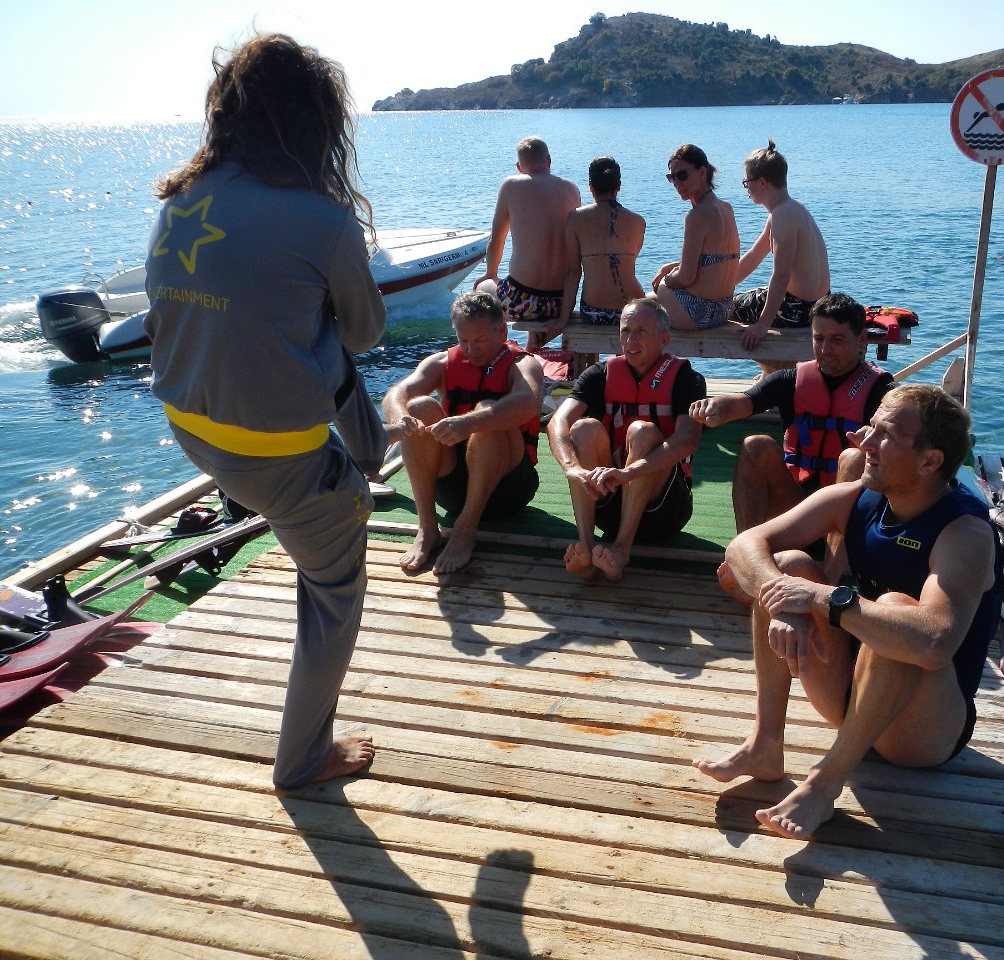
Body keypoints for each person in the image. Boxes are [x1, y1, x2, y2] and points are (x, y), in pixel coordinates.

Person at [143, 33, 419, 790]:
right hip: (279, 456)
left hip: (192, 428)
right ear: (314, 122)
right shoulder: (322, 220)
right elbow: (364, 334)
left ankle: (361, 465)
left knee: (306, 345)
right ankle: (302, 760)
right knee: (335, 592)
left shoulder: (179, 199)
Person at [695, 385, 1001, 841]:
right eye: (871, 426)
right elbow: (745, 545)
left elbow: (934, 642)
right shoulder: (860, 498)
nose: (863, 440)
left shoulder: (965, 533)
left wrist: (820, 598)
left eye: (884, 434)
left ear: (929, 461)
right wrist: (783, 604)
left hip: (924, 734)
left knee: (896, 612)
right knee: (787, 566)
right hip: (854, 695)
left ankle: (823, 785)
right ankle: (764, 744)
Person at [689, 293, 892, 533]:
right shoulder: (790, 380)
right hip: (794, 504)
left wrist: (876, 439)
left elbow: (905, 435)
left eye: (837, 340)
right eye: (819, 339)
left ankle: (835, 557)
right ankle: (745, 547)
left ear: (861, 340)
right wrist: (715, 407)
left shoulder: (882, 390)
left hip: (848, 512)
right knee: (755, 445)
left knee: (854, 457)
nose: (825, 349)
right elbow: (744, 402)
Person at [382, 291, 544, 575]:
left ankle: (465, 530)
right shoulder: (441, 363)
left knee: (487, 413)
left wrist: (468, 423)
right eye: (464, 340)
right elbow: (398, 393)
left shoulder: (522, 364)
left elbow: (528, 402)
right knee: (418, 407)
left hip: (508, 489)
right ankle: (427, 528)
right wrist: (401, 418)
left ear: (501, 331)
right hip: (453, 489)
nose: (471, 349)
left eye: (480, 340)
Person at [548, 297, 706, 582]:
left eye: (641, 331)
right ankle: (586, 546)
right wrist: (572, 468)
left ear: (664, 339)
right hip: (609, 505)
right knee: (583, 428)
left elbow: (687, 440)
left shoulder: (688, 380)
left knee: (642, 431)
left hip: (663, 509)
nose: (631, 340)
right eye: (625, 331)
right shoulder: (598, 375)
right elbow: (558, 421)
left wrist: (629, 472)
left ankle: (621, 550)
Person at [732, 140, 831, 376]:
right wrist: (720, 286)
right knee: (742, 298)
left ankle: (774, 372)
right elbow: (753, 257)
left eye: (747, 182)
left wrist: (762, 326)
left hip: (797, 309)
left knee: (726, 309)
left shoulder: (782, 215)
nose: (746, 188)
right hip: (818, 302)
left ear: (763, 182)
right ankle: (773, 371)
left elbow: (781, 276)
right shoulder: (791, 209)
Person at [474, 136, 581, 323]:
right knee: (529, 298)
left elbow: (497, 240)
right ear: (549, 160)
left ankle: (499, 341)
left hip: (521, 302)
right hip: (560, 303)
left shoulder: (511, 185)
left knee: (481, 288)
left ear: (519, 167)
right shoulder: (571, 189)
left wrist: (490, 274)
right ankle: (532, 342)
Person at [553, 156, 646, 340]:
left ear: (591, 187)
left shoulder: (575, 219)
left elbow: (574, 273)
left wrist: (563, 318)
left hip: (594, 313)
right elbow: (630, 262)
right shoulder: (638, 221)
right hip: (632, 312)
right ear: (619, 186)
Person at [652, 145, 740, 332]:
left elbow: (686, 277)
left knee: (655, 293)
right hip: (724, 309)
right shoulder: (726, 208)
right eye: (672, 177)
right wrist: (674, 266)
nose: (677, 183)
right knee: (647, 301)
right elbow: (711, 263)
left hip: (699, 315)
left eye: (682, 175)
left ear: (702, 172)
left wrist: (666, 278)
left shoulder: (697, 216)